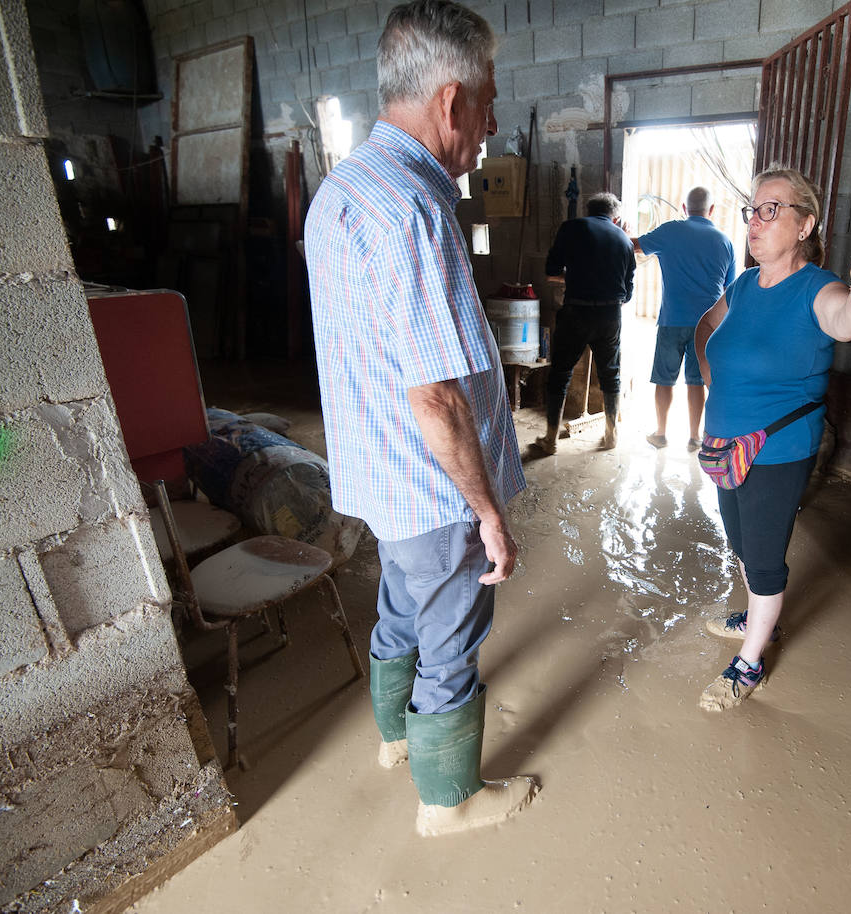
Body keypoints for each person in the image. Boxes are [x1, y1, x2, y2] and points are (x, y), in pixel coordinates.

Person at [304, 0, 537, 836]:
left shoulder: (342, 189)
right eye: (487, 100)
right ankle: (452, 803)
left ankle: (395, 740)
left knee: (398, 608)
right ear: (449, 103)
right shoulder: (416, 208)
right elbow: (435, 397)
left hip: (376, 474)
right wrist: (486, 513)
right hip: (431, 487)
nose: (491, 122)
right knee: (451, 637)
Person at [695, 167, 851, 712]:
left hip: (775, 449)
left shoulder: (820, 288)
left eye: (772, 209)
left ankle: (750, 662)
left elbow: (846, 320)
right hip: (724, 446)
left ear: (805, 223)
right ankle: (755, 614)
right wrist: (706, 369)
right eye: (752, 209)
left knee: (764, 557)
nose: (756, 221)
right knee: (741, 542)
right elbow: (708, 328)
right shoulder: (743, 286)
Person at [632, 187, 736, 451]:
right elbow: (729, 290)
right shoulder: (725, 242)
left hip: (671, 320)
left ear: (684, 207)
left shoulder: (669, 231)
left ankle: (661, 433)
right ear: (711, 210)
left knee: (664, 379)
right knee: (697, 380)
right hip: (707, 325)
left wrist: (617, 230)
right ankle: (694, 437)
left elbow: (633, 246)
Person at [532, 192, 636, 455]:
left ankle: (551, 439)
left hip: (576, 312)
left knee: (561, 373)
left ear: (587, 210)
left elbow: (552, 272)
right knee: (610, 374)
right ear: (616, 216)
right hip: (610, 315)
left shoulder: (572, 228)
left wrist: (577, 276)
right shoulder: (624, 239)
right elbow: (627, 292)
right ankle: (611, 435)